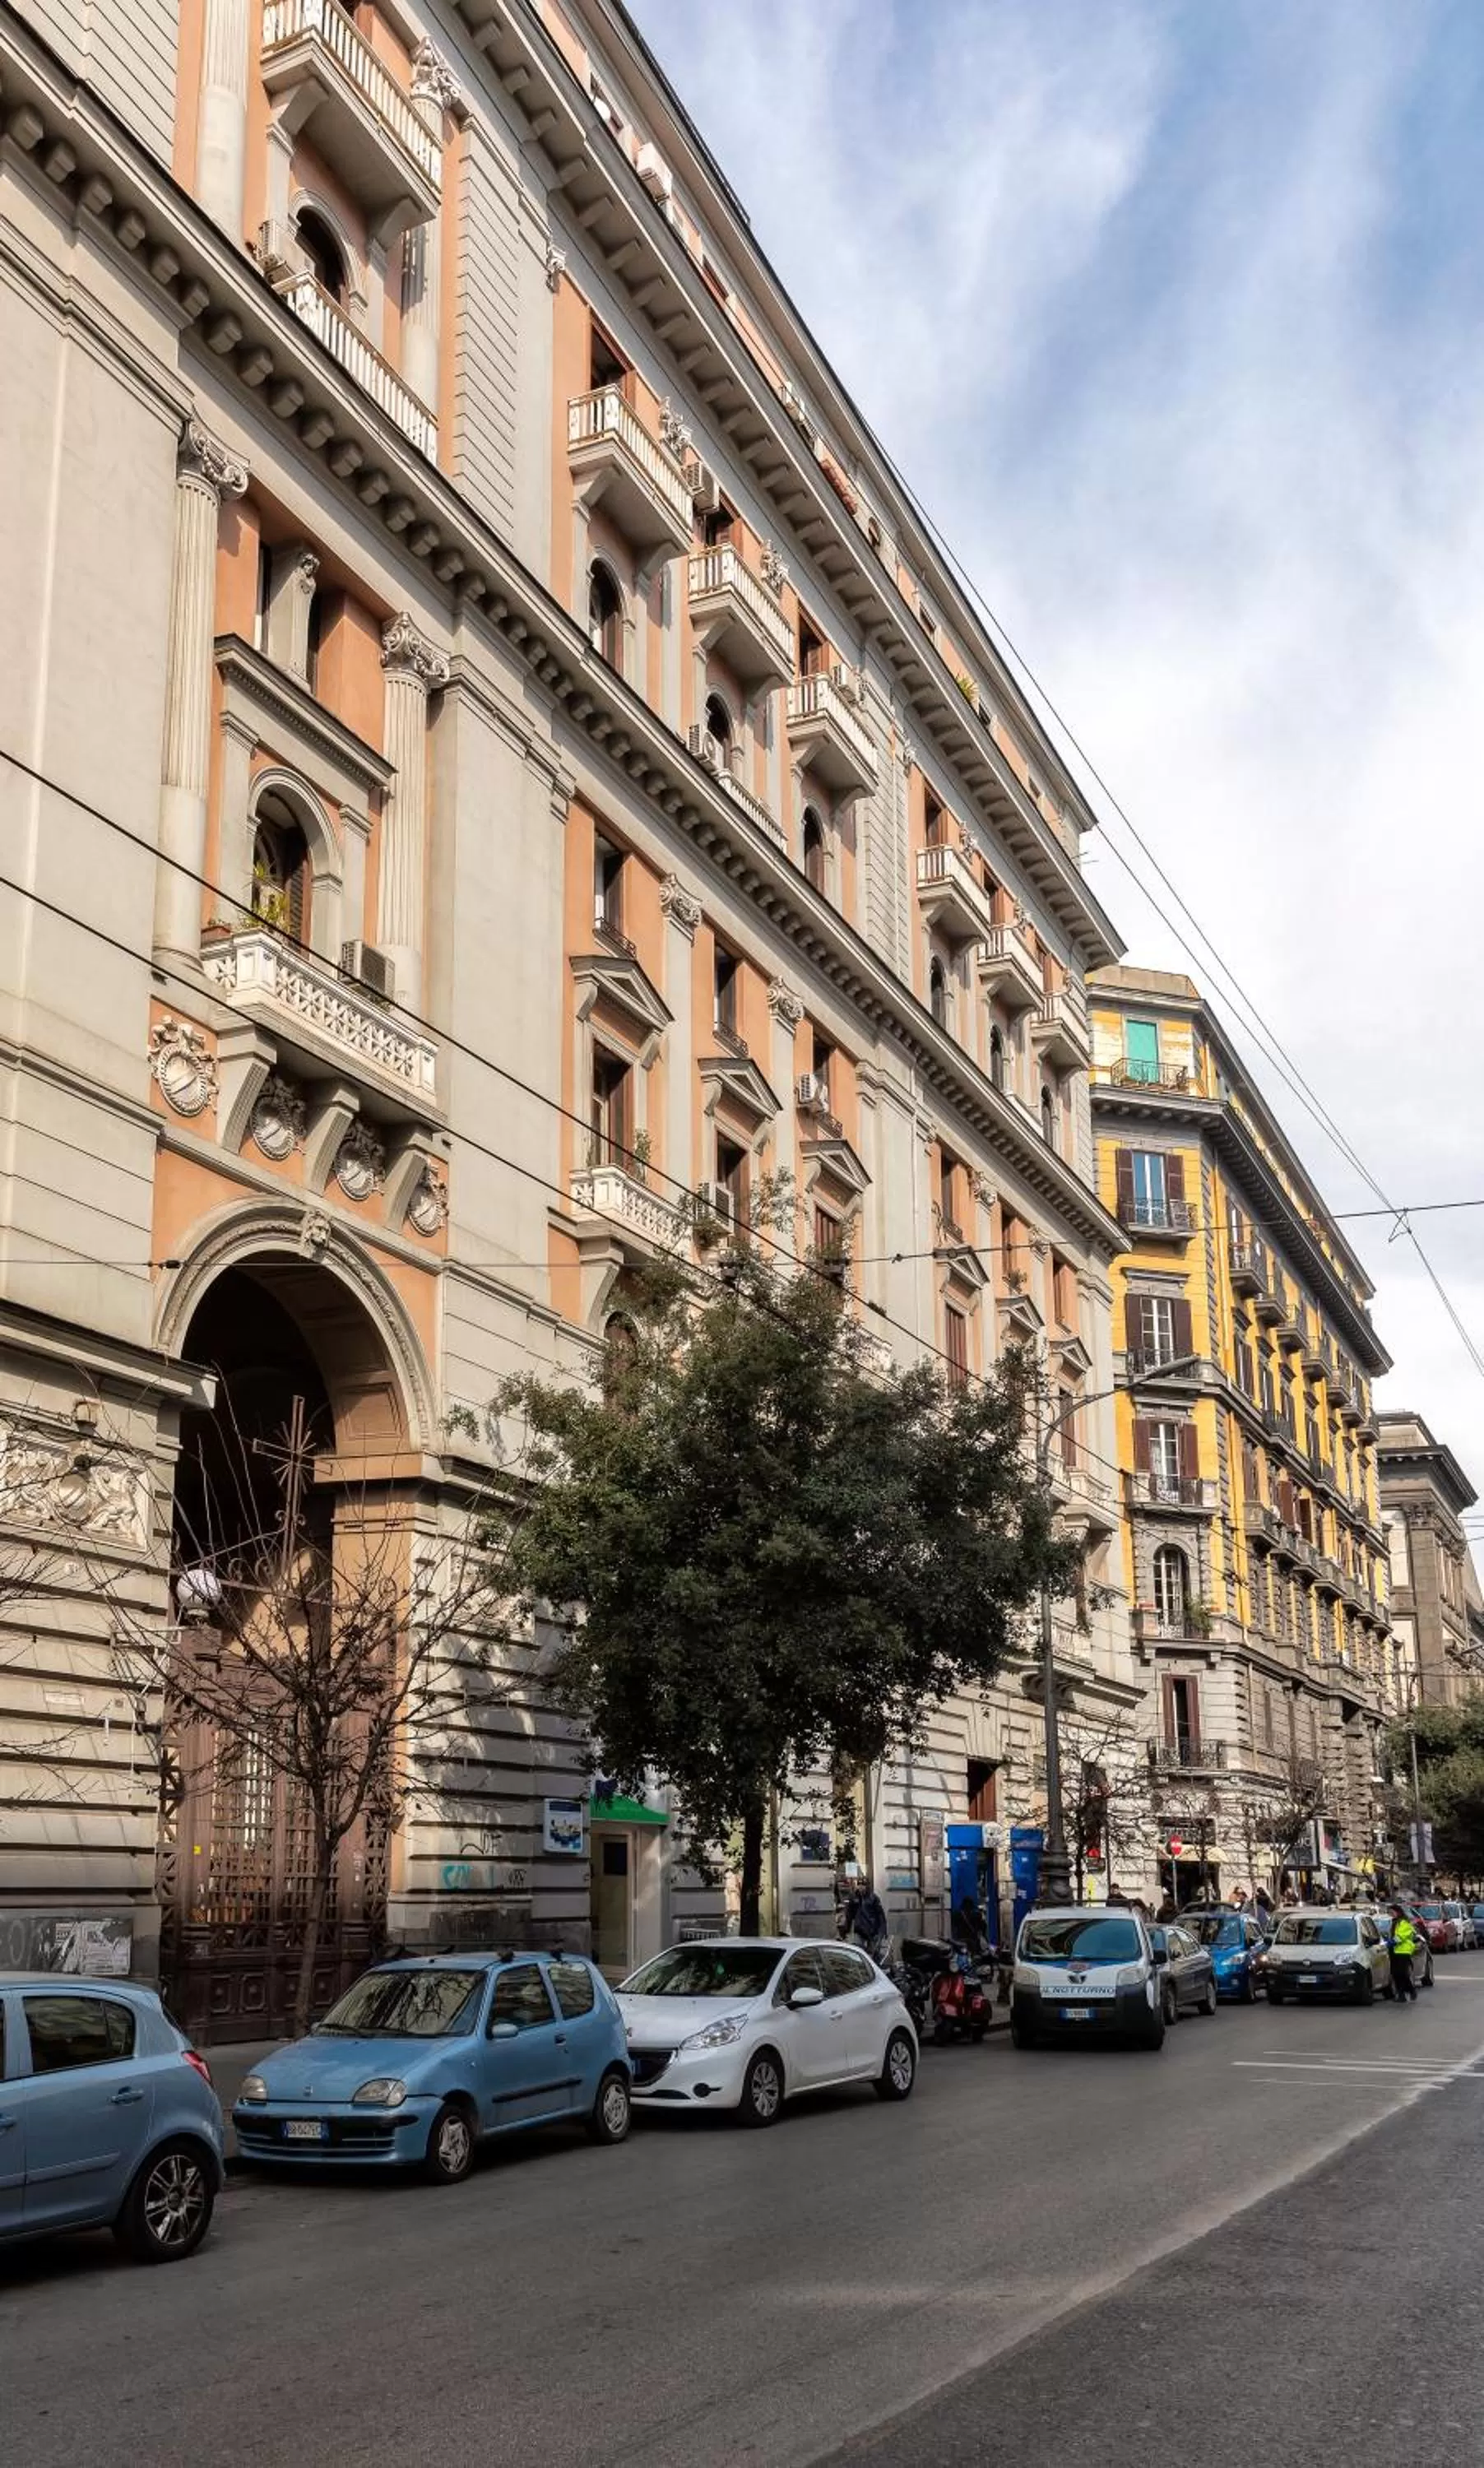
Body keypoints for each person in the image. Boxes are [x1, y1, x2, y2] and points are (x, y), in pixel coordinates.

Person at [850, 1881, 888, 1965]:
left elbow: (880, 1915)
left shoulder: (873, 1898)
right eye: (859, 1885)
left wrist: (882, 1931)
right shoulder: (854, 1898)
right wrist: (845, 1931)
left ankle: (876, 1969)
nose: (861, 1887)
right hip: (859, 1930)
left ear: (867, 1886)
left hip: (872, 1930)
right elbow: (849, 1914)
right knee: (857, 1952)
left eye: (863, 1885)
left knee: (873, 1955)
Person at [1389, 1903, 1421, 2004]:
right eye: (1390, 1913)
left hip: (1403, 1951)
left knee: (1402, 1973)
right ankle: (1401, 1995)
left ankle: (1411, 1990)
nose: (1391, 1914)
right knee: (1395, 1974)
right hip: (1394, 1951)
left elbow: (1400, 1937)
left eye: (1392, 1912)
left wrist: (1390, 1942)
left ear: (1398, 1912)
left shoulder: (1404, 1923)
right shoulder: (1394, 1922)